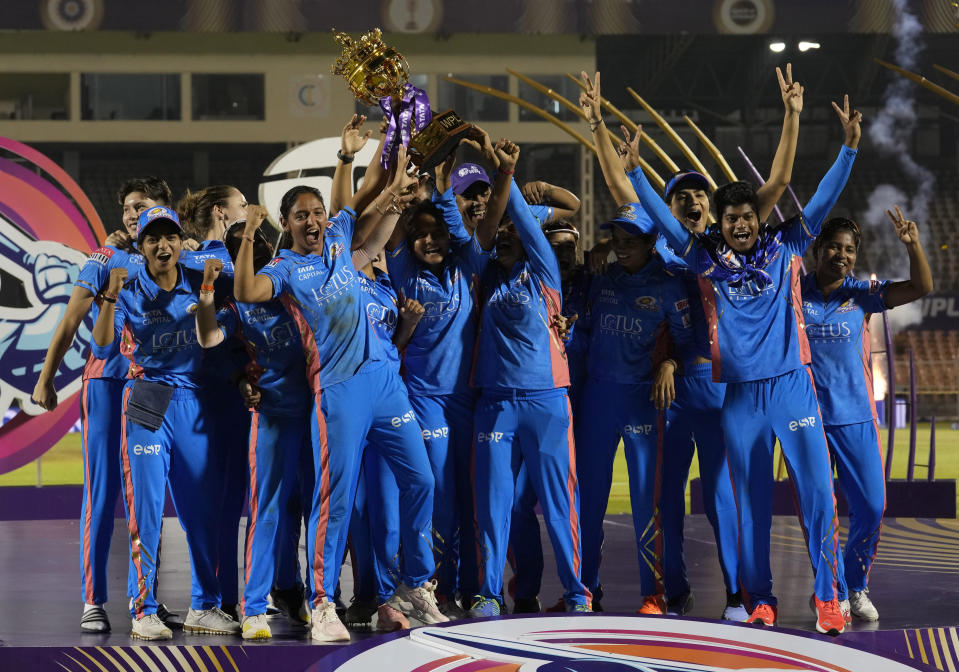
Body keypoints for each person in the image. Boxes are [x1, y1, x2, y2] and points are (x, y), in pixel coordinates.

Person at [621, 77, 862, 633]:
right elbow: (660, 217)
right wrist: (635, 172)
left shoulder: (787, 245)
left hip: (792, 386)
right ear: (721, 228)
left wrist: (844, 146)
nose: (741, 225)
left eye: (748, 217)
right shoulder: (704, 260)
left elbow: (819, 195)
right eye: (730, 221)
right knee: (750, 507)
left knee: (817, 495)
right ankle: (761, 599)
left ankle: (829, 597)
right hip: (740, 399)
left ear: (758, 218)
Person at [581, 66, 805, 620]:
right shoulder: (665, 253)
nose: (691, 200)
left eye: (698, 193)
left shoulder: (722, 248)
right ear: (667, 208)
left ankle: (737, 593)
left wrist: (792, 118)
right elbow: (620, 186)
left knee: (723, 500)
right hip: (669, 395)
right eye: (679, 195)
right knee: (665, 501)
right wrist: (598, 125)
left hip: (720, 388)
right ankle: (667, 591)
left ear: (712, 205)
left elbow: (773, 188)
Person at [233, 145, 447, 642]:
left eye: (317, 213)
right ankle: (324, 602)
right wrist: (248, 234)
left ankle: (414, 585)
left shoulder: (340, 238)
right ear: (285, 224)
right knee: (337, 500)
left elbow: (375, 195)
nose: (313, 220)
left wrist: (389, 167)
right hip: (338, 389)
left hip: (386, 386)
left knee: (421, 480)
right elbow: (245, 291)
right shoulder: (284, 269)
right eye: (301, 215)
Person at [31, 177, 182, 634]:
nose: (135, 214)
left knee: (149, 497)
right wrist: (46, 376)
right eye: (129, 208)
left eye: (145, 206)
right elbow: (70, 318)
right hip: (107, 383)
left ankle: (148, 600)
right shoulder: (105, 258)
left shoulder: (178, 253)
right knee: (102, 493)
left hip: (153, 387)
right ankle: (94, 600)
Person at [91, 206, 239, 640]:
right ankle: (143, 610)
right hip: (148, 398)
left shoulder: (200, 281)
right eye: (153, 238)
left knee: (202, 511)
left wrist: (212, 290)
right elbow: (102, 348)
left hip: (195, 400)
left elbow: (216, 332)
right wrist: (110, 297)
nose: (163, 245)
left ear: (180, 243)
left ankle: (204, 606)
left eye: (170, 237)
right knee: (148, 513)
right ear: (141, 247)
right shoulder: (128, 287)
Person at [467, 139, 591, 617]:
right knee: (495, 504)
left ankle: (578, 592)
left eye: (510, 232)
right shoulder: (484, 274)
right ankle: (489, 592)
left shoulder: (542, 272)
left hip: (547, 400)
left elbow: (526, 214)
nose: (501, 236)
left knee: (559, 504)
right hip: (495, 402)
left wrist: (508, 173)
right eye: (496, 232)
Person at [801, 207, 932, 622]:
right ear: (817, 249)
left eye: (850, 250)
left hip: (856, 417)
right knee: (821, 511)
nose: (842, 255)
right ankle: (831, 590)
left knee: (872, 507)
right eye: (835, 248)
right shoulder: (793, 291)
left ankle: (855, 585)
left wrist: (912, 244)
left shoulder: (861, 294)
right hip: (809, 421)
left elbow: (921, 286)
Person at [177, 184, 249, 620]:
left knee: (219, 504)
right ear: (223, 213)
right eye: (242, 207)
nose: (249, 212)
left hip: (219, 391)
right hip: (220, 393)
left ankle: (224, 600)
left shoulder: (190, 259)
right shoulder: (217, 260)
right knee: (221, 503)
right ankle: (217, 601)